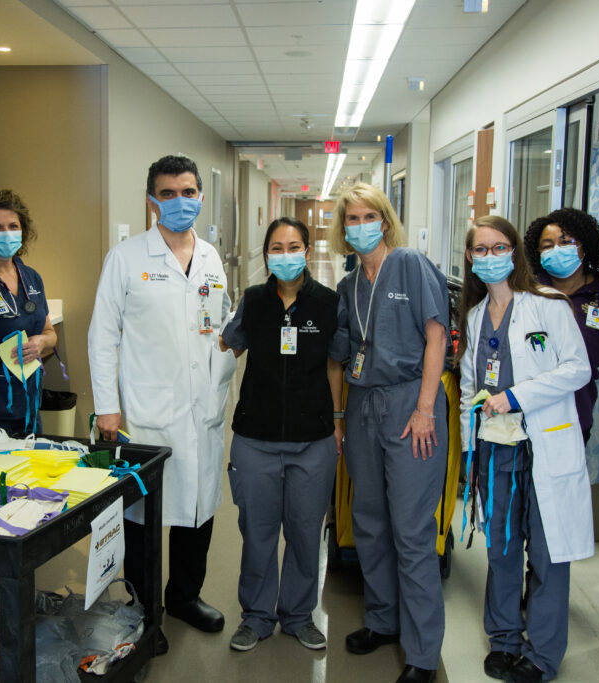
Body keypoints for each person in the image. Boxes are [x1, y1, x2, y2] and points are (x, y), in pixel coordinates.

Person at [88, 154, 237, 648]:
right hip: (146, 413)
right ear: (152, 200)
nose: (180, 201)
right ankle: (144, 611)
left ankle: (184, 597)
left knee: (198, 510)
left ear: (200, 196)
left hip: (203, 410)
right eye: (168, 193)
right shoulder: (127, 258)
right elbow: (102, 335)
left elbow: (223, 321)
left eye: (189, 191)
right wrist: (108, 407)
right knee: (145, 520)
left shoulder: (212, 258)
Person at [458, 215, 593, 683]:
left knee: (549, 554)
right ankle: (504, 639)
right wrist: (467, 451)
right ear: (470, 258)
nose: (490, 258)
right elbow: (469, 391)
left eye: (500, 248)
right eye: (481, 250)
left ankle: (542, 655)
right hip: (495, 448)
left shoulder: (548, 305)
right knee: (501, 549)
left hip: (545, 446)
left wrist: (516, 396)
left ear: (515, 252)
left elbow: (577, 369)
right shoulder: (474, 317)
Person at [329, 182, 449, 683]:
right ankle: (383, 620)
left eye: (367, 216)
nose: (360, 225)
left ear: (384, 218)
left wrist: (425, 409)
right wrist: (338, 416)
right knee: (370, 519)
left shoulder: (411, 265)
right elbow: (339, 357)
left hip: (409, 402)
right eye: (351, 218)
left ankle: (422, 653)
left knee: (412, 530)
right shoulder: (349, 284)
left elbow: (437, 335)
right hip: (362, 406)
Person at [218, 217, 342, 653]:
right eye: (276, 246)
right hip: (256, 438)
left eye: (294, 246)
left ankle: (298, 615)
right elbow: (224, 345)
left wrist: (338, 422)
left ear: (307, 251)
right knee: (258, 532)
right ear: (266, 252)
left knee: (306, 533)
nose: (285, 254)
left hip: (313, 440)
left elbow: (334, 364)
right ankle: (255, 616)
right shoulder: (253, 300)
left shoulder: (328, 302)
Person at [524, 207, 599, 444]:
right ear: (537, 252)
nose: (557, 250)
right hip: (528, 408)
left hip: (576, 408)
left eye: (566, 242)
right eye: (547, 245)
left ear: (584, 246)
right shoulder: (528, 291)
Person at [0, 189, 57, 435]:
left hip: (28, 408)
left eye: (13, 226)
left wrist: (41, 342)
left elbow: (49, 332)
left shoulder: (30, 277)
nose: (6, 234)